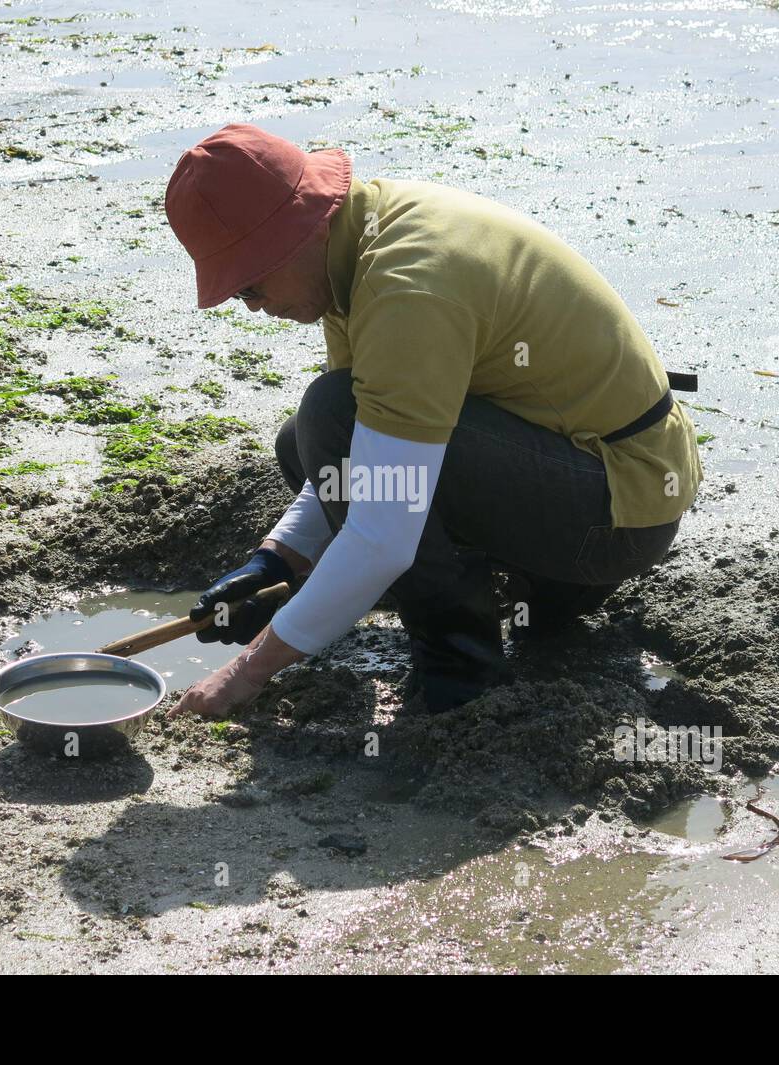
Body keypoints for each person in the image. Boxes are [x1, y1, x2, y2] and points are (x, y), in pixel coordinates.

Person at [162, 123, 702, 719]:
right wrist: (277, 559)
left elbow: (380, 534)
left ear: (301, 229)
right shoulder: (353, 245)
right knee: (308, 439)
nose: (254, 305)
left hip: (614, 518)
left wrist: (246, 672)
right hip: (572, 492)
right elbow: (366, 455)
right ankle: (517, 598)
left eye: (252, 281)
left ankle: (461, 671)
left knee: (329, 418)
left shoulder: (407, 287)